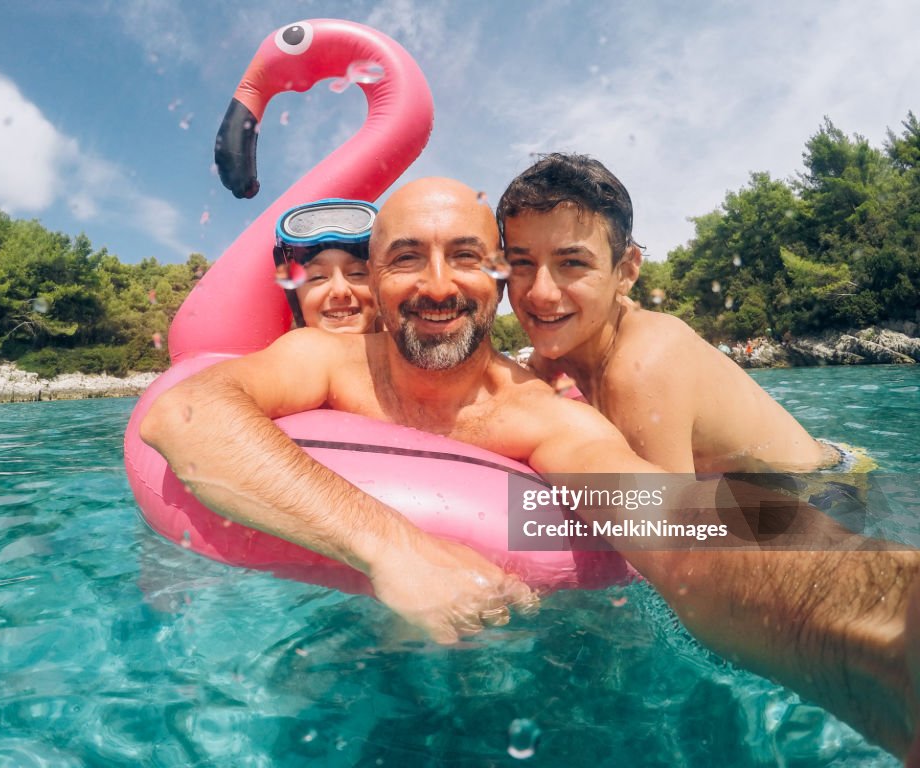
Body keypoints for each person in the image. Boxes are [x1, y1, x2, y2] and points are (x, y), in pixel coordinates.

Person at [140, 177, 919, 761]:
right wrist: (393, 547)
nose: (439, 285)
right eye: (408, 257)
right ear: (375, 283)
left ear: (500, 283)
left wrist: (883, 615)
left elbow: (670, 516)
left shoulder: (538, 417)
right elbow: (185, 417)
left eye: (468, 258)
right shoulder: (323, 361)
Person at [497, 153, 838, 474]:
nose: (541, 292)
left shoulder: (644, 364)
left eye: (572, 263)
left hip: (823, 487)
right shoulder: (554, 358)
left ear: (626, 271)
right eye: (521, 263)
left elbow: (667, 531)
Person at [274, 198, 380, 334]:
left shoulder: (408, 346)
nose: (340, 291)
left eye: (357, 273)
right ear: (295, 296)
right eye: (317, 277)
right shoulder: (282, 353)